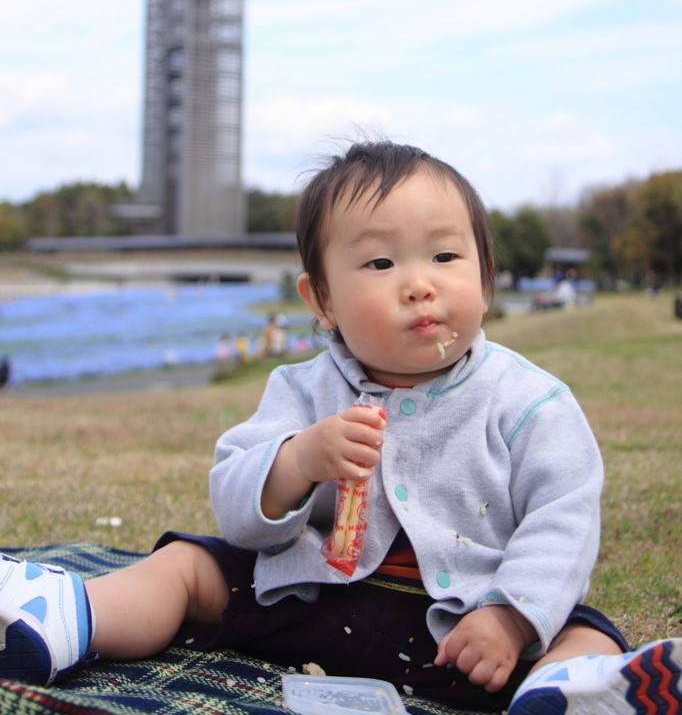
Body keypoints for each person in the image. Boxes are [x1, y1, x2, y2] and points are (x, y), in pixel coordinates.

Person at [1, 140, 680, 714]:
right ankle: (68, 619)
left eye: (445, 257)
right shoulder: (301, 390)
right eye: (381, 264)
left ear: (488, 275)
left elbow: (562, 520)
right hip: (315, 596)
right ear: (321, 299)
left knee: (585, 629)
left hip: (467, 630)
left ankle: (562, 690)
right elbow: (235, 505)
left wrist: (509, 615)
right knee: (187, 565)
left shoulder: (531, 402)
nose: (419, 284)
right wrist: (296, 462)